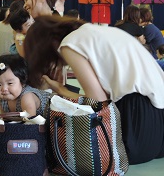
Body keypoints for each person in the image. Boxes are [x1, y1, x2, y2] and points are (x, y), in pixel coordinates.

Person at [24, 16, 164, 165]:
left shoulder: (70, 44)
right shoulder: (98, 31)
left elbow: (97, 103)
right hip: (158, 127)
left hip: (136, 124)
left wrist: (60, 90)